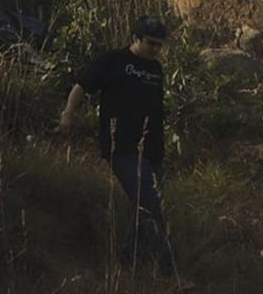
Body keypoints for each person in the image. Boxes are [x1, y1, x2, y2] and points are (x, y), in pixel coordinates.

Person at [59, 16, 180, 281]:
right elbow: (81, 86)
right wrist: (69, 113)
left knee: (145, 207)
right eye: (151, 43)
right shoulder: (114, 60)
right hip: (121, 148)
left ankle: (125, 263)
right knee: (151, 204)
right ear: (135, 39)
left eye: (160, 45)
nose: (156, 49)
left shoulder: (156, 69)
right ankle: (170, 275)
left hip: (152, 151)